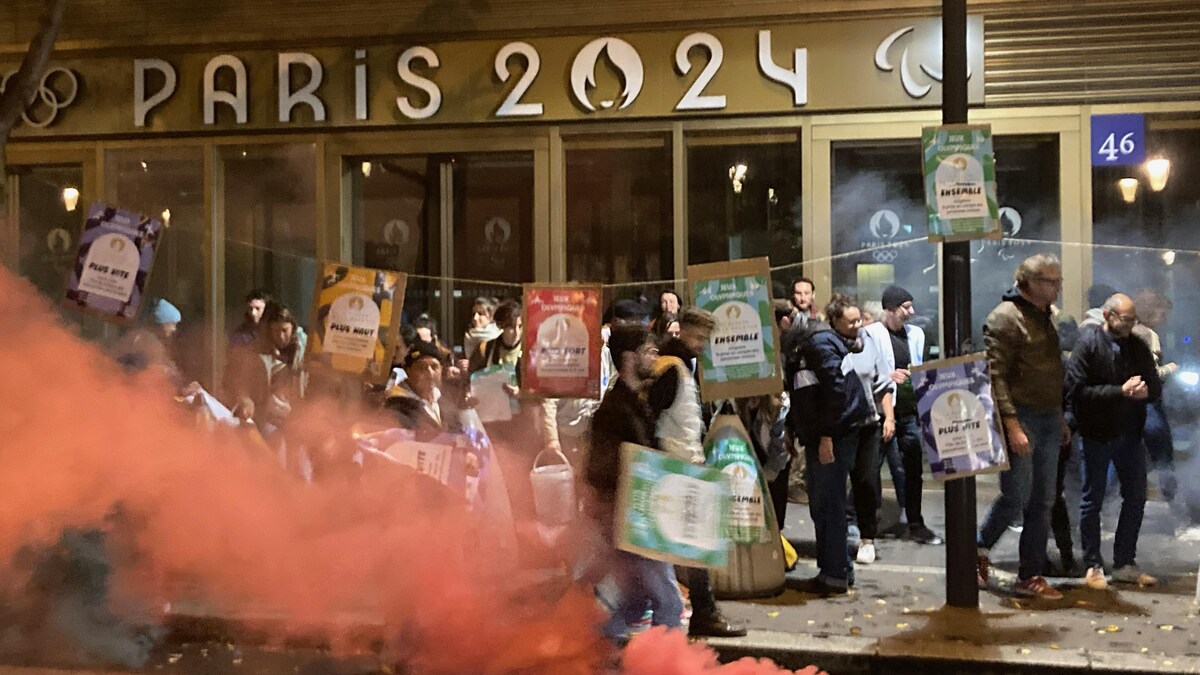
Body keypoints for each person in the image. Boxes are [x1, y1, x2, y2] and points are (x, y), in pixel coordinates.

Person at [647, 307, 745, 638]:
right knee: (693, 543)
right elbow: (654, 417)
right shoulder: (671, 368)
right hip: (677, 465)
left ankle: (694, 611)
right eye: (698, 337)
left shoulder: (680, 365)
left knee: (687, 543)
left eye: (706, 339)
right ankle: (701, 613)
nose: (702, 344)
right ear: (681, 331)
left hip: (680, 463)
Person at [976, 254, 1070, 600]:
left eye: (1059, 280)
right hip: (1021, 416)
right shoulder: (1005, 318)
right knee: (1017, 494)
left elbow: (1051, 371)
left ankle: (1029, 574)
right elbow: (994, 375)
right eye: (1051, 281)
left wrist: (1059, 416)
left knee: (1043, 499)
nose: (1057, 287)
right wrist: (1011, 424)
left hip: (1046, 415)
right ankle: (976, 550)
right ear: (1028, 282)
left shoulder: (1046, 317)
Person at [584, 324, 682, 643]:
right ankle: (668, 666)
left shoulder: (637, 405)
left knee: (634, 600)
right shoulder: (612, 411)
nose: (655, 358)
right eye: (649, 351)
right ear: (629, 357)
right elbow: (600, 471)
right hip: (631, 521)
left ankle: (594, 654)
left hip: (639, 519)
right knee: (667, 602)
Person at [1068, 293, 1161, 589]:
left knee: (1135, 497)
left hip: (1130, 434)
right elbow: (1078, 392)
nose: (1130, 325)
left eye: (1133, 319)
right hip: (1097, 434)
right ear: (1108, 316)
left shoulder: (1137, 346)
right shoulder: (1088, 344)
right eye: (1126, 319)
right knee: (1092, 499)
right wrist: (1120, 391)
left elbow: (1155, 384)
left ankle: (1124, 562)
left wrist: (1148, 392)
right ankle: (1093, 564)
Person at [791, 295, 875, 596]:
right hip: (833, 431)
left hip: (834, 434)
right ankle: (838, 570)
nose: (856, 326)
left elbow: (834, 389)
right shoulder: (821, 342)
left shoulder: (817, 344)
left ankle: (834, 574)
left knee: (828, 504)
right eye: (850, 321)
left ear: (785, 324)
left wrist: (826, 436)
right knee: (827, 503)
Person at [863, 285, 941, 545]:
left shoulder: (916, 334)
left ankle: (916, 522)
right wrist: (889, 377)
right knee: (870, 470)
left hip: (909, 413)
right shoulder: (870, 334)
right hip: (878, 415)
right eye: (906, 307)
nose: (912, 312)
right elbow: (863, 371)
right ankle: (868, 525)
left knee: (912, 469)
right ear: (890, 309)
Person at [847, 297, 896, 565]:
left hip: (867, 424)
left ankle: (867, 538)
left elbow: (882, 384)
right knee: (831, 486)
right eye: (851, 321)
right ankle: (838, 536)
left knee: (866, 481)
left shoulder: (868, 342)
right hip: (839, 426)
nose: (858, 325)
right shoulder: (828, 344)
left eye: (860, 320)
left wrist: (888, 417)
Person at [1132, 288, 1178, 502]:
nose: (1164, 319)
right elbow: (1151, 373)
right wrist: (1170, 368)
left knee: (1126, 455)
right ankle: (1175, 504)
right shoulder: (1149, 335)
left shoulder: (1130, 331)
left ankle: (1108, 505)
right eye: (1162, 314)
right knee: (1163, 456)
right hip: (1148, 403)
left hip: (1129, 404)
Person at [385, 340, 458, 437]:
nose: (429, 373)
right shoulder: (396, 407)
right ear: (408, 372)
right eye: (421, 368)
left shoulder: (446, 403)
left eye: (434, 366)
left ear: (441, 369)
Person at [462, 297, 501, 369]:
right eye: (473, 314)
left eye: (480, 313)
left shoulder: (499, 336)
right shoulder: (468, 337)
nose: (475, 318)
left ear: (491, 316)